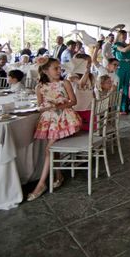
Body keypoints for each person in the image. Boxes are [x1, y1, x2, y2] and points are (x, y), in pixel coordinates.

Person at [27, 58, 81, 201]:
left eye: (59, 68)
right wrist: (45, 107)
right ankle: (59, 175)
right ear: (45, 71)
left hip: (64, 118)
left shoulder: (65, 83)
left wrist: (58, 106)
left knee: (49, 149)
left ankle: (41, 184)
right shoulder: (40, 87)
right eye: (55, 68)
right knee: (52, 148)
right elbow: (40, 105)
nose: (59, 71)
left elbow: (73, 101)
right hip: (49, 119)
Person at [112, 30, 130, 113]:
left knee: (126, 87)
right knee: (119, 87)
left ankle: (124, 107)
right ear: (119, 36)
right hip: (120, 66)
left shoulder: (126, 44)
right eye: (123, 36)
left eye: (125, 36)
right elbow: (124, 50)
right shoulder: (116, 45)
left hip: (128, 66)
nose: (124, 37)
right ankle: (116, 107)